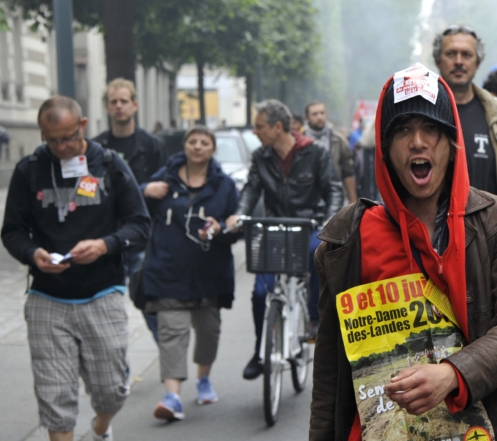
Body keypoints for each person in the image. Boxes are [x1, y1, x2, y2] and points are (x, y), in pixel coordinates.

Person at [301, 64, 497, 441]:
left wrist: (454, 374)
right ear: (385, 147)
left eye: (431, 129)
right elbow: (331, 367)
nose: (418, 142)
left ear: (451, 144)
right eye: (403, 130)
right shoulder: (348, 238)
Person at [1, 96, 150, 441]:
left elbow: (140, 224)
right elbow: (12, 231)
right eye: (53, 141)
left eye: (69, 138)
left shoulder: (110, 166)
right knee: (54, 393)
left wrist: (105, 244)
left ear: (83, 125)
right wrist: (34, 256)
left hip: (102, 293)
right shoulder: (29, 169)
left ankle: (101, 429)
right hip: (48, 298)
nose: (62, 147)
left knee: (112, 388)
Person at [226, 100, 342, 381]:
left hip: (310, 226)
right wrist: (238, 215)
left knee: (320, 254)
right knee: (259, 294)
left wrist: (327, 223)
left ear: (278, 127)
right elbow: (251, 191)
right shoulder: (260, 157)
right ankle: (259, 350)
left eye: (259, 126)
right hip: (274, 229)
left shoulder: (315, 152)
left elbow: (333, 190)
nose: (255, 132)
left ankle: (314, 318)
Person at [140, 126, 240, 420]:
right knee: (172, 333)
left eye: (204, 142)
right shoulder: (163, 180)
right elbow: (133, 209)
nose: (198, 146)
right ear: (184, 146)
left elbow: (234, 229)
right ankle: (172, 397)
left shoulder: (224, 185)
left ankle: (204, 379)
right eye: (192, 142)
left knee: (208, 331)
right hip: (168, 269)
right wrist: (144, 191)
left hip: (209, 272)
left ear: (212, 149)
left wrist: (222, 227)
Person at [93, 78, 168, 343]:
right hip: (108, 239)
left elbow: (165, 190)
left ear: (135, 105)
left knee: (150, 304)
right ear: (106, 107)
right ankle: (118, 377)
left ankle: (171, 371)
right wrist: (144, 188)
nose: (119, 106)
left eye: (124, 101)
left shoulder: (152, 146)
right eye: (114, 102)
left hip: (143, 240)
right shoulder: (97, 147)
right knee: (107, 312)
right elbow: (92, 192)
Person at [432, 25, 497, 218]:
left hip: (491, 239)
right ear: (437, 60)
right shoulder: (420, 112)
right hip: (434, 237)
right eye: (451, 54)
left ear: (477, 63)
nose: (459, 61)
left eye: (466, 55)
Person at [304, 100, 357, 203]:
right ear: (307, 118)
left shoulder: (338, 140)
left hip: (335, 196)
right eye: (315, 114)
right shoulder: (300, 141)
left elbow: (348, 172)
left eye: (322, 113)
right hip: (308, 198)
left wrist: (353, 201)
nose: (319, 117)